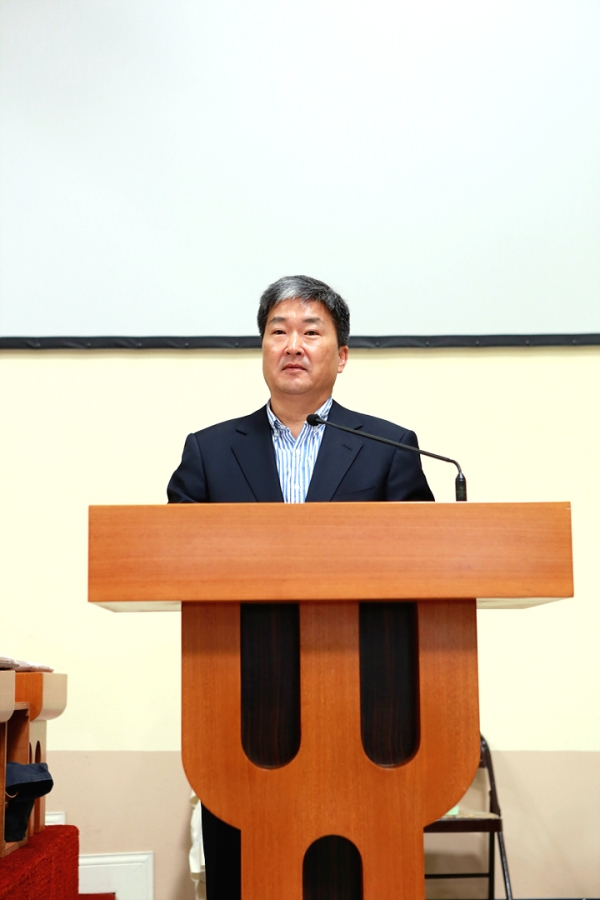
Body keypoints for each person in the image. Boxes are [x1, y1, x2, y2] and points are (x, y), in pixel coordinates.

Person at [168, 274, 434, 899]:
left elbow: (423, 562)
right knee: (247, 868)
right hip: (240, 699)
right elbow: (173, 556)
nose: (293, 345)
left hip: (364, 702)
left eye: (311, 332)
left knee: (353, 869)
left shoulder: (387, 447)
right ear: (261, 349)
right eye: (278, 331)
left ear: (341, 356)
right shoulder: (209, 452)